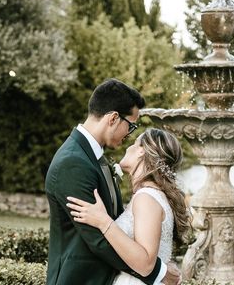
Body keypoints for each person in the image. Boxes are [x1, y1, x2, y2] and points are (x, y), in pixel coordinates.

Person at [45, 78, 184, 285]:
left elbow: (114, 226)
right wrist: (158, 272)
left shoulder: (94, 159)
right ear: (113, 118)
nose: (130, 134)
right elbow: (97, 239)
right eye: (131, 125)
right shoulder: (73, 162)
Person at [67, 127, 191, 285]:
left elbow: (146, 264)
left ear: (142, 151)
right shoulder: (151, 195)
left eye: (134, 143)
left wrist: (103, 221)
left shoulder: (147, 198)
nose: (129, 146)